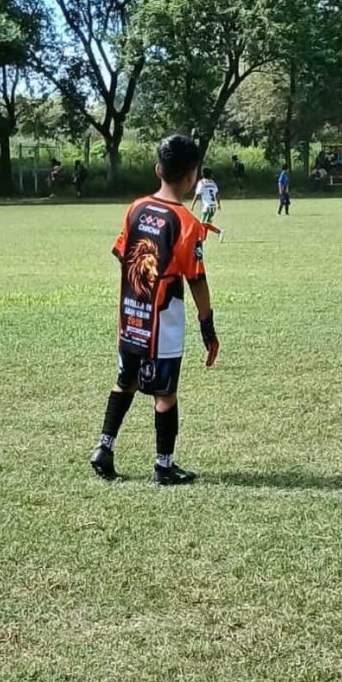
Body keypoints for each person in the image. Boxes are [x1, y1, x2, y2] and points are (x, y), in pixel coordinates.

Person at [89, 134, 218, 486]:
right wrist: (208, 326)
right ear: (192, 176)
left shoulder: (136, 208)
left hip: (131, 318)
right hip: (163, 324)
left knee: (124, 382)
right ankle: (164, 465)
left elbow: (122, 254)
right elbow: (196, 279)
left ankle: (104, 447)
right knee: (165, 393)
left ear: (157, 169)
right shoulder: (187, 223)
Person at [190, 166, 223, 240]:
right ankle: (203, 238)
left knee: (203, 223)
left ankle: (219, 231)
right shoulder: (213, 183)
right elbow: (217, 194)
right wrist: (218, 204)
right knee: (206, 223)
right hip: (213, 206)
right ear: (210, 174)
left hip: (207, 206)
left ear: (202, 174)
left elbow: (197, 194)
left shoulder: (201, 183)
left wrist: (192, 204)